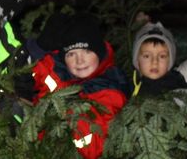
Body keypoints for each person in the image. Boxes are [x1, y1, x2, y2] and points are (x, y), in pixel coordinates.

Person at [32, 13, 129, 159]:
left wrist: (66, 106)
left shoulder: (109, 93)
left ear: (100, 54)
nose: (80, 61)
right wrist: (42, 50)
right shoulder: (62, 80)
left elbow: (91, 147)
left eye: (87, 51)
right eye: (71, 54)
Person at [131, 21, 187, 97]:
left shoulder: (176, 87)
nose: (155, 62)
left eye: (162, 56)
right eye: (147, 56)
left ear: (169, 61)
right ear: (137, 61)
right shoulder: (132, 86)